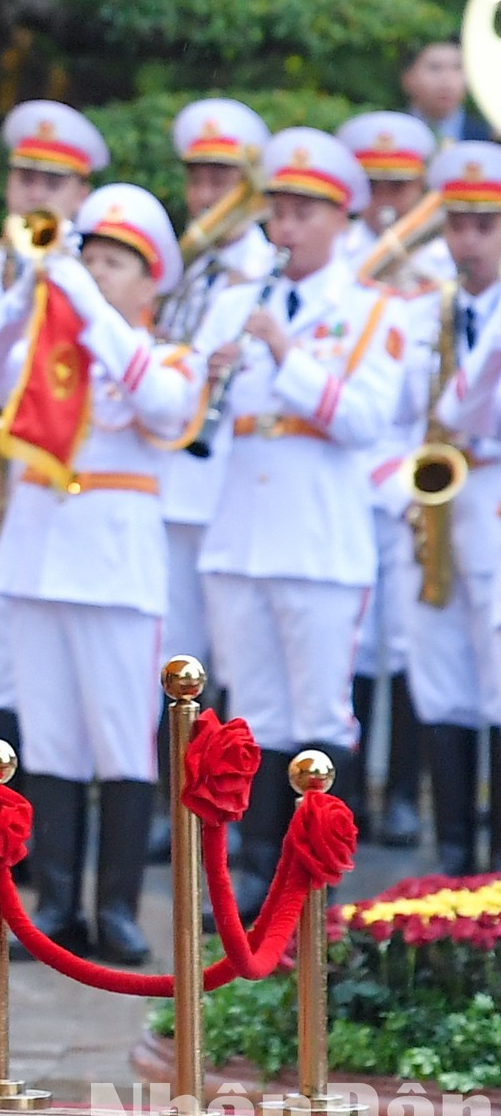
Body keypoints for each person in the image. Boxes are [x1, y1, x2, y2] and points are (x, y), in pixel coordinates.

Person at [0, 184, 200, 964]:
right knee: (52, 741)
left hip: (112, 565)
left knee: (120, 743)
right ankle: (57, 905)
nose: (94, 274)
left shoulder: (163, 355)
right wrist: (28, 291)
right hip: (36, 558)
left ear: (149, 280)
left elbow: (163, 406)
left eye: (113, 264)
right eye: (88, 259)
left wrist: (86, 309)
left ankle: (118, 907)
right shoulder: (47, 351)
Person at [194, 128, 403, 920]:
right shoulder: (231, 299)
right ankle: (255, 873)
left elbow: (365, 419)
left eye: (304, 213)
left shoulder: (373, 311)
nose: (285, 228)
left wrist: (287, 356)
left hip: (319, 539)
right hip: (240, 527)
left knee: (318, 713)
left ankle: (315, 874)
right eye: (278, 210)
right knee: (253, 711)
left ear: (340, 221)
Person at [0, 101, 107, 770]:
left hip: (60, 474)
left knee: (52, 656)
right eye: (25, 176)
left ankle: (51, 820)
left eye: (53, 181)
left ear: (81, 195)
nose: (35, 191)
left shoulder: (98, 272)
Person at [148, 98, 278, 858]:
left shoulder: (263, 271)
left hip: (234, 489)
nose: (206, 195)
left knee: (238, 668)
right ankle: (179, 812)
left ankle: (230, 823)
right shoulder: (180, 269)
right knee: (177, 663)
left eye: (222, 178)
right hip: (172, 487)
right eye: (198, 178)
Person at [335, 110, 448, 844]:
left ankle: (405, 793)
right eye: (372, 185)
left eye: (399, 188)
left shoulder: (442, 263)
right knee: (347, 641)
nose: (385, 201)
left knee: (405, 642)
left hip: (414, 473)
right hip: (344, 470)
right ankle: (350, 804)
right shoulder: (340, 256)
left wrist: (418, 284)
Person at [415, 139, 501, 875]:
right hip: (436, 506)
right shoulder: (423, 312)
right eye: (457, 224)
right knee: (439, 673)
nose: (466, 241)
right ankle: (452, 860)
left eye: (485, 225)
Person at [404, 39, 490, 146]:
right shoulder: (389, 134)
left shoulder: (488, 137)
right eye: (435, 67)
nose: (447, 79)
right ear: (408, 78)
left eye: (457, 67)